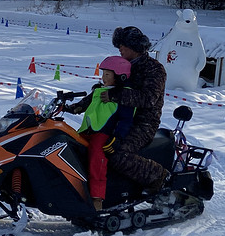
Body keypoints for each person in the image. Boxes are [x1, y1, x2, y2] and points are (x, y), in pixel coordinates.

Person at [104, 26, 170, 195]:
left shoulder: (154, 69)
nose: (120, 48)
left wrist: (116, 94)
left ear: (134, 46)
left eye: (123, 45)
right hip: (118, 118)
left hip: (144, 123)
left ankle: (157, 175)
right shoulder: (122, 66)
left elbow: (149, 98)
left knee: (117, 154)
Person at [65, 55, 134, 210]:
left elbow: (125, 120)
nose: (103, 78)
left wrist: (117, 138)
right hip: (87, 131)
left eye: (108, 75)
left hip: (103, 135)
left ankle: (97, 198)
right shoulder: (99, 90)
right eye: (103, 74)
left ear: (120, 77)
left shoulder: (123, 95)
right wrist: (72, 107)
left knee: (97, 157)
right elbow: (85, 103)